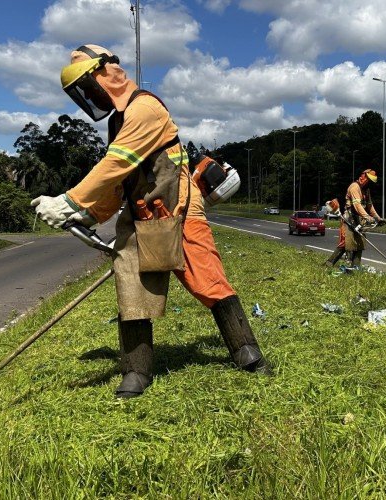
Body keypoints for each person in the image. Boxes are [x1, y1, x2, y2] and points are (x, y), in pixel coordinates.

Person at [31, 44, 270, 399]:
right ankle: (136, 371)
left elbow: (116, 162)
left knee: (208, 280)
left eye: (88, 84)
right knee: (131, 287)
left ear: (108, 71)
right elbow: (120, 180)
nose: (89, 95)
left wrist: (69, 201)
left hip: (179, 211)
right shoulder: (118, 120)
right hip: (140, 215)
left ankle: (246, 350)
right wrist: (89, 213)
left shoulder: (146, 109)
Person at [343, 169, 385, 268]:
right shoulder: (354, 187)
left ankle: (355, 267)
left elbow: (369, 205)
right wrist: (367, 217)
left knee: (360, 244)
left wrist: (378, 218)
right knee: (347, 244)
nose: (369, 183)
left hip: (359, 219)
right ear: (363, 176)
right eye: (368, 180)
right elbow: (357, 205)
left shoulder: (366, 189)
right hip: (349, 218)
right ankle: (329, 263)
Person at [323, 198, 346, 266]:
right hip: (345, 223)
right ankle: (330, 262)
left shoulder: (336, 205)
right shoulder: (335, 204)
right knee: (343, 243)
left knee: (344, 243)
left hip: (346, 222)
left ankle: (330, 262)